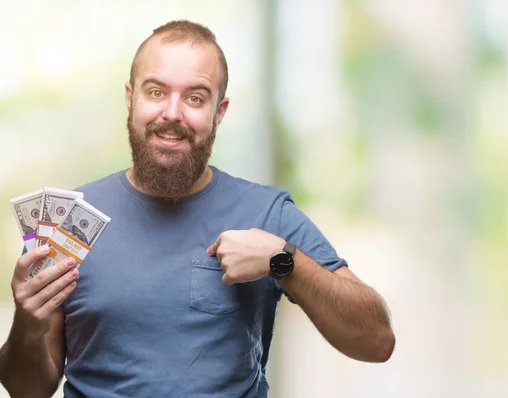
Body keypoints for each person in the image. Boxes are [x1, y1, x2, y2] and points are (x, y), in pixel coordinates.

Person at [0, 20, 395, 397]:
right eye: (156, 92)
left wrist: (283, 260)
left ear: (218, 112)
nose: (172, 113)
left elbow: (376, 342)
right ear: (130, 97)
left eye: (194, 97)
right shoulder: (64, 223)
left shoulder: (266, 213)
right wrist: (27, 325)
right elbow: (26, 391)